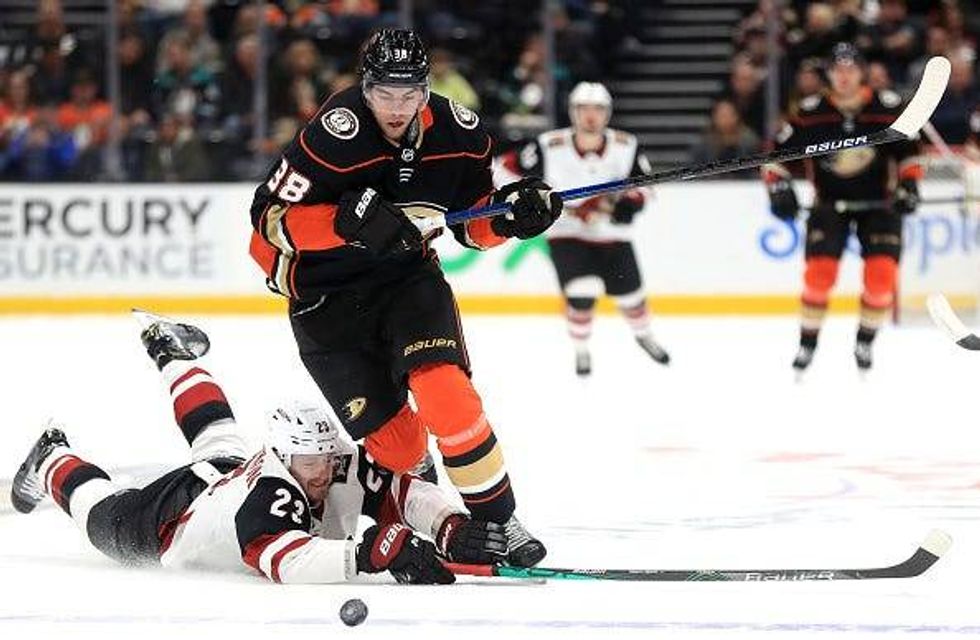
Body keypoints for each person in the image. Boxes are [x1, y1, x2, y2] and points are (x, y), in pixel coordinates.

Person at [247, 29, 562, 567]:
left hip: (405, 281)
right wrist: (342, 224)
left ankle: (498, 521)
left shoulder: (461, 133)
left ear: (426, 89)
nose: (396, 108)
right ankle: (432, 514)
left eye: (409, 94)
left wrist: (511, 215)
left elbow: (472, 223)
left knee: (446, 393)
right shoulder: (332, 135)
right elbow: (267, 225)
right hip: (325, 302)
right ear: (364, 89)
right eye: (383, 94)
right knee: (397, 449)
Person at [9, 313, 508, 584]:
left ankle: (171, 350)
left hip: (222, 477)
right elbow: (281, 559)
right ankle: (52, 454)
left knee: (218, 434)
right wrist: (365, 556)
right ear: (285, 459)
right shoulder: (272, 493)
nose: (322, 473)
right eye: (309, 463)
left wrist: (449, 525)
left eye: (326, 459)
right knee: (100, 516)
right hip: (172, 519)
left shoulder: (325, 463)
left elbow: (401, 490)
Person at [762, 42, 922, 374]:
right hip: (829, 205)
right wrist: (778, 188)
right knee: (819, 277)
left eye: (851, 69)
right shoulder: (809, 112)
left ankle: (865, 339)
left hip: (880, 204)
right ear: (830, 75)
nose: (845, 76)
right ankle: (808, 343)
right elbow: (772, 158)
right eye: (838, 70)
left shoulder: (887, 107)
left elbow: (910, 153)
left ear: (862, 72)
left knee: (881, 280)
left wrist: (909, 184)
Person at [496, 81, 669, 376]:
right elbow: (503, 168)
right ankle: (581, 349)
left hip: (612, 234)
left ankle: (643, 334)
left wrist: (630, 204)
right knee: (581, 291)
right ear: (573, 112)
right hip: (566, 232)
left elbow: (645, 187)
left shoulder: (626, 145)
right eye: (583, 108)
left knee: (631, 295)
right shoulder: (549, 144)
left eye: (598, 109)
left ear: (608, 113)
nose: (590, 115)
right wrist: (521, 197)